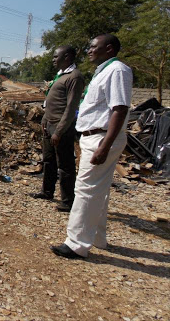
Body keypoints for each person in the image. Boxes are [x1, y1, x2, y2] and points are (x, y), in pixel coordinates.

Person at [51, 34, 132, 258]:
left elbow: (120, 109)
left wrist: (104, 146)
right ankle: (97, 237)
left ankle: (76, 244)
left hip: (101, 137)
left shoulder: (117, 71)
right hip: (94, 136)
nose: (89, 50)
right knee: (99, 190)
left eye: (93, 47)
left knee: (85, 189)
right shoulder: (104, 71)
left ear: (109, 48)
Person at [31, 46, 84, 212]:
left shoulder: (74, 77)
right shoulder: (61, 75)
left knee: (65, 164)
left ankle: (68, 201)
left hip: (61, 126)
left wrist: (59, 131)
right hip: (49, 124)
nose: (53, 59)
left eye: (56, 56)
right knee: (48, 160)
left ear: (67, 56)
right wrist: (44, 122)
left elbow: (71, 107)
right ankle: (47, 192)